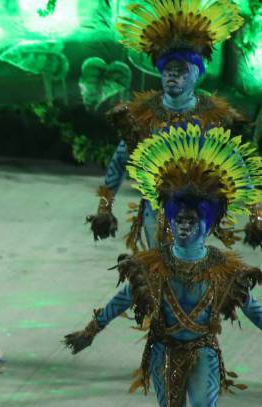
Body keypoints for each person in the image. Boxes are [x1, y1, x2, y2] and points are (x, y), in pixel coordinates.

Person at [66, 124, 262, 407]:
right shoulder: (154, 264)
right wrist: (91, 330)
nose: (185, 225)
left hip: (203, 349)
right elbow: (123, 298)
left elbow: (251, 307)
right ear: (170, 222)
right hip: (163, 350)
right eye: (179, 219)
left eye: (193, 220)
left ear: (207, 224)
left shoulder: (222, 268)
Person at [87, 0, 246, 251]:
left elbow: (235, 161)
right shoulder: (144, 115)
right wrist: (104, 207)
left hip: (198, 214)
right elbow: (120, 160)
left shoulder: (211, 116)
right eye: (168, 69)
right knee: (159, 270)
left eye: (181, 70)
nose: (173, 75)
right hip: (155, 211)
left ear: (196, 74)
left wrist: (256, 213)